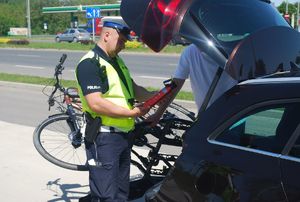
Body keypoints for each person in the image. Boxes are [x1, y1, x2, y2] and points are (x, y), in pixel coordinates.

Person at [75, 20, 154, 202]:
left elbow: (132, 89)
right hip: (104, 139)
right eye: (121, 41)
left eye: (125, 42)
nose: (124, 45)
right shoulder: (89, 64)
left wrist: (155, 95)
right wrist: (132, 113)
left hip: (123, 136)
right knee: (106, 195)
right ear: (107, 35)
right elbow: (96, 103)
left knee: (120, 193)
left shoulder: (116, 61)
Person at [146, 44, 236, 123]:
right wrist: (158, 114)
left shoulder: (190, 51)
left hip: (218, 115)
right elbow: (175, 85)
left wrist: (158, 114)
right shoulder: (235, 50)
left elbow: (175, 85)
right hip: (236, 113)